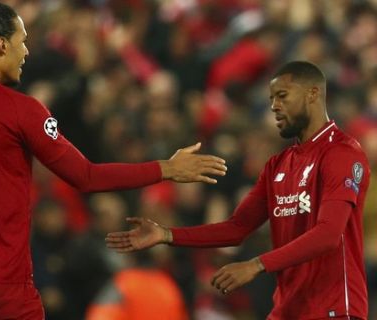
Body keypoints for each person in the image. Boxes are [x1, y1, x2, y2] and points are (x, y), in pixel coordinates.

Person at [0, 2, 227, 319]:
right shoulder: (20, 109)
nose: (25, 52)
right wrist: (166, 168)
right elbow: (85, 175)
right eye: (21, 42)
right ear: (0, 45)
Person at [107, 61, 370, 320]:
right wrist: (166, 234)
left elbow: (328, 235)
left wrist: (256, 265)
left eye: (282, 96)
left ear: (313, 94)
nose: (274, 107)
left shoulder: (341, 153)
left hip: (334, 308)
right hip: (287, 310)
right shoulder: (278, 165)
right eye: (271, 99)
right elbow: (236, 228)